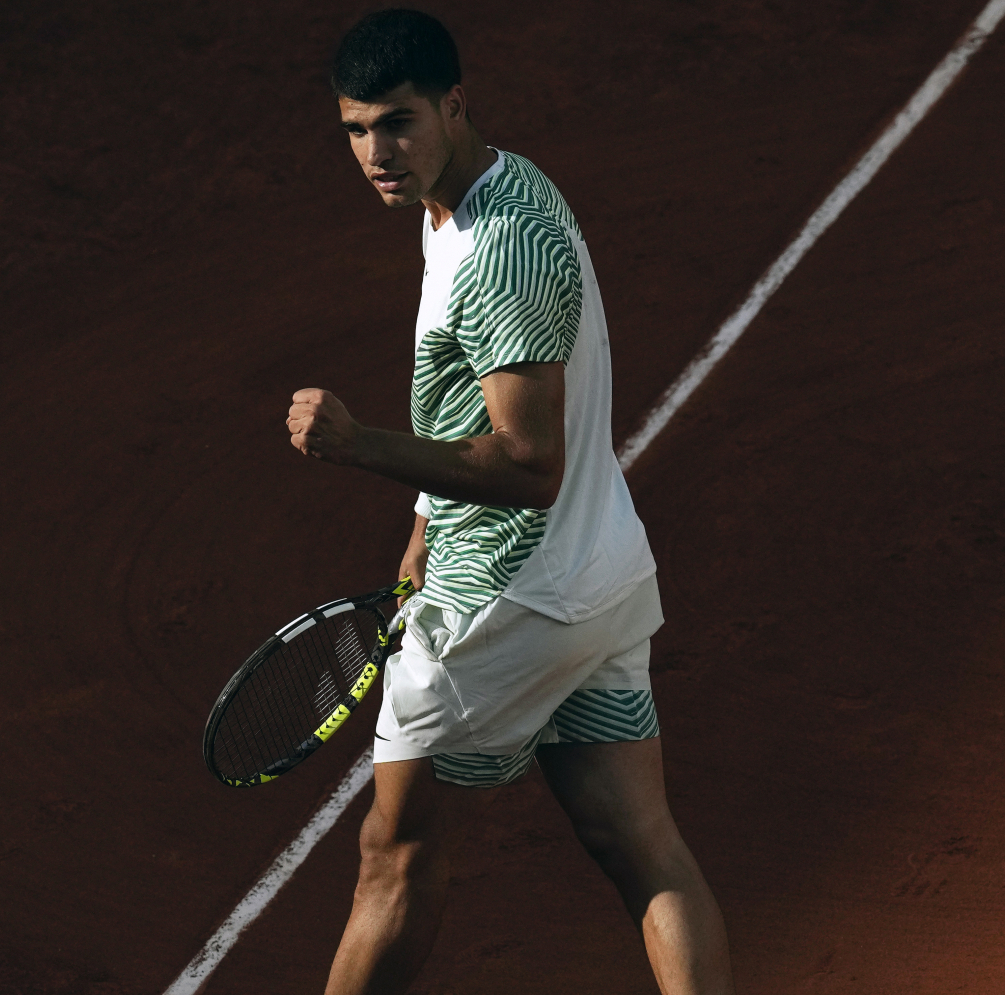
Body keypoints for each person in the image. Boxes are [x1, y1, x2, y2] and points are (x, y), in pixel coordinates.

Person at [283, 10, 732, 994]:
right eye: (356, 130)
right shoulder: (482, 194)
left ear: (454, 105)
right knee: (641, 842)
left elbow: (530, 464)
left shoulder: (499, 252)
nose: (376, 153)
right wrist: (421, 528)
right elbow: (467, 407)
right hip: (598, 576)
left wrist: (360, 446)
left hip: (505, 596)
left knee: (394, 855)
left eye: (397, 123)